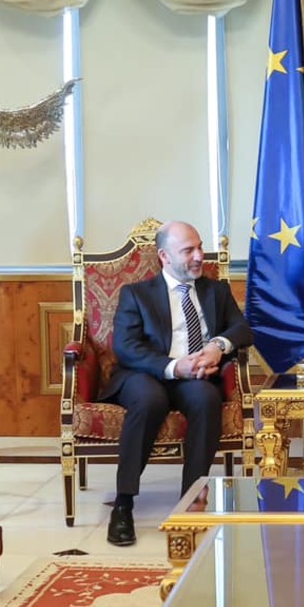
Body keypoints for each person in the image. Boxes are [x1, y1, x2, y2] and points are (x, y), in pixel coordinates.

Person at [101, 220, 252, 546]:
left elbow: (241, 329)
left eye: (200, 247)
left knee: (206, 399)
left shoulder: (216, 291)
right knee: (149, 400)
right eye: (188, 251)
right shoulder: (136, 294)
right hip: (146, 374)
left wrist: (217, 346)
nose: (199, 256)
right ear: (165, 256)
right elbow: (126, 347)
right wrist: (173, 366)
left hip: (195, 377)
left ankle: (192, 500)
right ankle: (124, 504)